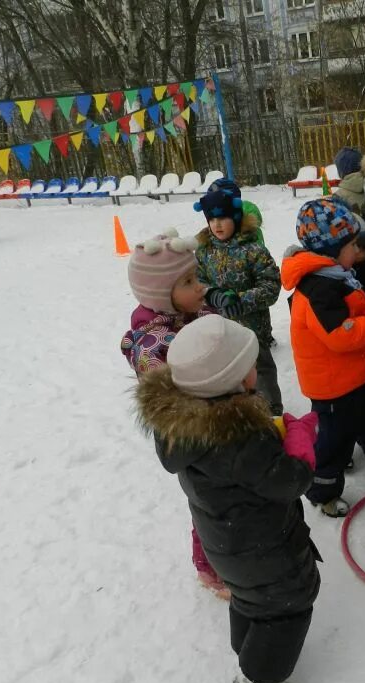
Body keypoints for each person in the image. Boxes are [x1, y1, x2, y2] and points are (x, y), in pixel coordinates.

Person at [135, 314, 321, 683]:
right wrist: (300, 442)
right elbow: (288, 481)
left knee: (250, 598)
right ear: (232, 380)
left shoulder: (185, 426)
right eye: (250, 364)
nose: (257, 369)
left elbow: (238, 467)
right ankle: (259, 678)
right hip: (263, 549)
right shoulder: (237, 438)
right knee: (287, 608)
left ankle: (247, 644)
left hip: (228, 543)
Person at [281, 198, 365, 518]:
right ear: (332, 248)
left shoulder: (336, 274)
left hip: (357, 373)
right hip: (332, 386)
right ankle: (323, 489)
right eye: (353, 245)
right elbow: (341, 334)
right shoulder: (318, 288)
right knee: (334, 440)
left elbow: (358, 309)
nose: (357, 252)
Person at [120, 229, 227, 598]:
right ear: (159, 295)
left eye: (196, 277)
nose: (199, 287)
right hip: (192, 436)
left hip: (219, 422)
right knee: (208, 505)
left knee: (223, 500)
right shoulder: (154, 345)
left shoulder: (192, 313)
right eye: (187, 282)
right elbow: (173, 401)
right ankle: (209, 567)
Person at [194, 184, 284, 416]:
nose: (217, 224)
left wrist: (241, 300)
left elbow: (271, 286)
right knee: (227, 372)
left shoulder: (253, 250)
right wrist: (212, 294)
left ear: (235, 216)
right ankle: (239, 412)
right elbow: (197, 282)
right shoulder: (204, 251)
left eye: (222, 218)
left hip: (253, 327)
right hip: (220, 328)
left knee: (260, 369)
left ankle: (271, 411)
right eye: (212, 220)